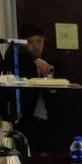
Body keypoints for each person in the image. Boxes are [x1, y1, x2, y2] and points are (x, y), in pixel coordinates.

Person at [16, 24, 59, 152]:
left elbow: (57, 93)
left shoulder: (52, 61)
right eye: (31, 42)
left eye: (39, 41)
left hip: (49, 120)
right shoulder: (22, 61)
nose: (35, 46)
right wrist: (34, 60)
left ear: (44, 42)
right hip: (28, 120)